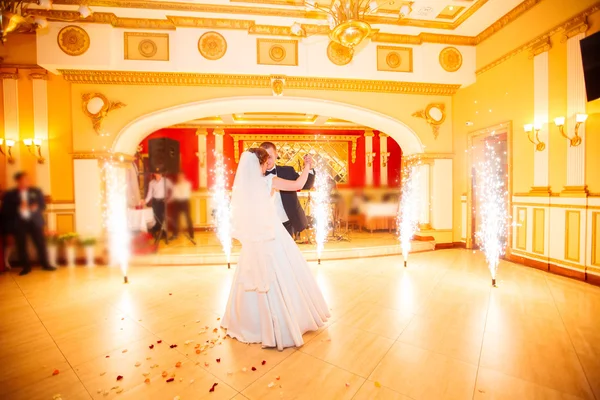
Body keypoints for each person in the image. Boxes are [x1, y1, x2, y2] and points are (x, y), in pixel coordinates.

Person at [221, 148, 330, 350]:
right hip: (272, 232)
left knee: (252, 276)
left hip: (255, 238)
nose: (267, 164)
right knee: (281, 272)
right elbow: (298, 185)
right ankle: (285, 322)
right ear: (260, 164)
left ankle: (250, 324)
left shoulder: (244, 187)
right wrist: (307, 166)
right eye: (265, 162)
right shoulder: (268, 181)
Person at [0, 172, 56, 275]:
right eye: (24, 179)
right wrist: (18, 208)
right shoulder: (10, 194)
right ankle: (26, 267)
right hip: (19, 223)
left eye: (28, 179)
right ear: (18, 181)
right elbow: (5, 210)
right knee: (21, 246)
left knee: (40, 244)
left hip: (35, 222)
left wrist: (35, 208)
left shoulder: (36, 191)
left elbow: (42, 206)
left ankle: (46, 264)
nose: (27, 181)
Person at [260, 142, 315, 237]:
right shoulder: (255, 176)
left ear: (276, 155)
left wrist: (309, 168)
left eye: (269, 157)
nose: (267, 160)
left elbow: (305, 185)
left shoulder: (287, 171)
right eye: (264, 157)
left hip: (286, 221)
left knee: (287, 251)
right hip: (264, 224)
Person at [141, 171, 173, 238]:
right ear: (154, 174)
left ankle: (163, 233)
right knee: (156, 218)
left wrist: (169, 199)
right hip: (155, 202)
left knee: (162, 218)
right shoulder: (151, 183)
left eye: (159, 173)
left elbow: (173, 189)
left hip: (163, 202)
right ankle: (157, 232)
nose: (158, 174)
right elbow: (149, 195)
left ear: (161, 173)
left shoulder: (166, 181)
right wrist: (145, 202)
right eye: (156, 173)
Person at [169, 172, 194, 240]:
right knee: (175, 218)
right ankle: (175, 234)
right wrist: (167, 201)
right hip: (177, 203)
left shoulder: (187, 184)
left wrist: (180, 185)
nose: (179, 177)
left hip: (184, 202)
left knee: (188, 218)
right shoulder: (175, 185)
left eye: (181, 176)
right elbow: (173, 195)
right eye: (178, 176)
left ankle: (191, 234)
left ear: (183, 176)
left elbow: (185, 194)